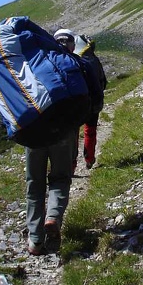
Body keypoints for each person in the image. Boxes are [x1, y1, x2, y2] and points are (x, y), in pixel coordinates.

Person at [25, 28, 78, 255]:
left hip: (34, 131)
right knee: (60, 177)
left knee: (34, 184)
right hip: (63, 132)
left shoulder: (32, 62)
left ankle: (35, 241)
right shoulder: (73, 63)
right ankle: (53, 216)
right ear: (72, 45)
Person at [73, 34, 107, 170]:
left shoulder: (73, 60)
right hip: (94, 102)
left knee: (73, 134)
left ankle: (71, 165)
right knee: (90, 130)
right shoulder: (94, 59)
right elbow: (103, 80)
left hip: (78, 102)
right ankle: (89, 158)